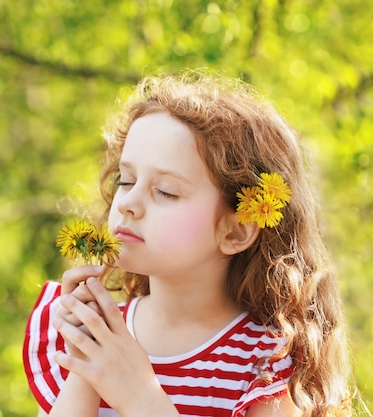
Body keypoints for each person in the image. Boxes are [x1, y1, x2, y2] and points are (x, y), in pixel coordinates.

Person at [23, 71, 357, 417]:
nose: (127, 203)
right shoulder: (88, 332)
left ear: (235, 230)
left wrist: (140, 396)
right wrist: (88, 362)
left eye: (166, 191)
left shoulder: (265, 362)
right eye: (126, 180)